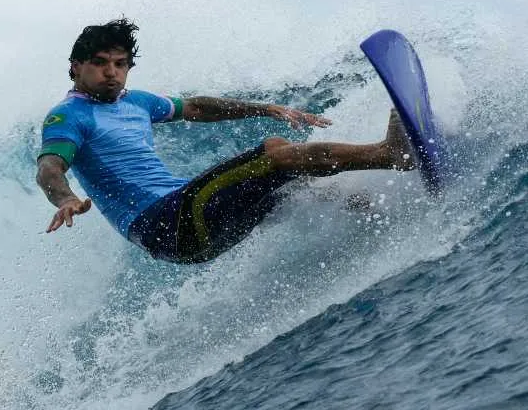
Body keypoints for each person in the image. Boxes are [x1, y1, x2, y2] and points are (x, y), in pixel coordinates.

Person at [36, 18, 414, 264]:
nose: (112, 72)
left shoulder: (136, 102)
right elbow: (50, 167)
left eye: (120, 64)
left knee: (291, 186)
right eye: (101, 62)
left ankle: (384, 214)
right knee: (274, 154)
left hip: (193, 223)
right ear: (76, 67)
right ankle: (389, 155)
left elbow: (197, 107)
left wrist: (266, 108)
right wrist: (65, 198)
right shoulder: (68, 116)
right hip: (164, 224)